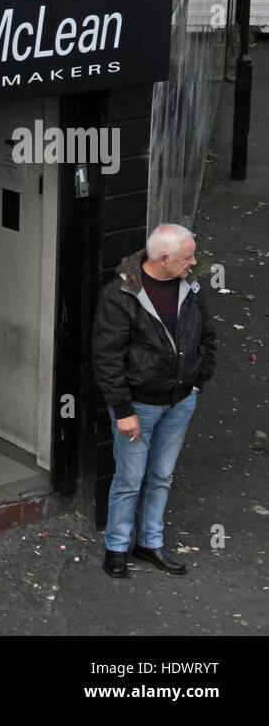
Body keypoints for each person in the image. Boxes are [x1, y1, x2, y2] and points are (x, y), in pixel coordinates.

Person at [91, 224, 216, 578]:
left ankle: (150, 543)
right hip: (140, 406)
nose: (194, 262)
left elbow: (207, 336)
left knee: (161, 475)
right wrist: (123, 410)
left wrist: (196, 382)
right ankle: (116, 548)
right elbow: (106, 358)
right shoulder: (120, 295)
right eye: (188, 257)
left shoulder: (190, 287)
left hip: (180, 401)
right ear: (164, 259)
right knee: (130, 479)